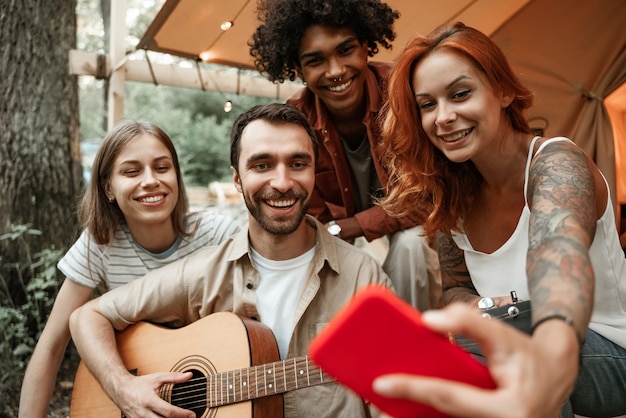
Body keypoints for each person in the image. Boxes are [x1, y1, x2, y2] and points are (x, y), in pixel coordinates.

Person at [68, 103, 393, 418]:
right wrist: (124, 388)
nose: (282, 183)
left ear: (313, 173)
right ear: (237, 178)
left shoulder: (362, 279)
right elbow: (88, 317)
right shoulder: (203, 273)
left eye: (297, 164)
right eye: (262, 165)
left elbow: (392, 397)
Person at [372, 22, 626, 417]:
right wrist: (488, 306)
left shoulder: (556, 162)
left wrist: (545, 342)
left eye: (460, 94)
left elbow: (558, 261)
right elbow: (456, 288)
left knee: (517, 345)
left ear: (504, 91)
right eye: (427, 104)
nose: (443, 117)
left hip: (611, 355)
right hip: (517, 350)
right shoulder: (452, 197)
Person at [18, 121, 240, 418]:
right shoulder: (100, 245)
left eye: (162, 168)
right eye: (131, 171)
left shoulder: (219, 236)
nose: (150, 180)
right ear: (108, 188)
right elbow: (50, 347)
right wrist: (121, 387)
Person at [249, 0, 440, 311]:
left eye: (346, 50)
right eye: (315, 60)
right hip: (350, 237)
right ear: (299, 70)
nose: (336, 70)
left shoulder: (404, 91)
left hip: (423, 227)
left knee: (410, 246)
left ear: (366, 46)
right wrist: (338, 233)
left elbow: (429, 195)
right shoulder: (295, 123)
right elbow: (313, 221)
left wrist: (350, 226)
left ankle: (414, 348)